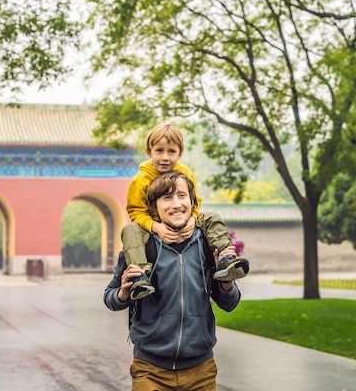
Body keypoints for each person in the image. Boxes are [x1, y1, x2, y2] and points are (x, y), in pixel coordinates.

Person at [104, 171, 242, 391]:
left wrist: (227, 283)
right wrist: (122, 293)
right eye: (166, 198)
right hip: (149, 369)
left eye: (181, 195)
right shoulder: (141, 247)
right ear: (154, 208)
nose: (176, 204)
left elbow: (230, 303)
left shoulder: (206, 245)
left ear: (192, 201)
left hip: (201, 370)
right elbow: (109, 297)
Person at [123, 123, 249, 300]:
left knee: (211, 216)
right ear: (149, 151)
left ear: (180, 153)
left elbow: (195, 202)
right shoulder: (140, 181)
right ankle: (140, 277)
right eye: (159, 151)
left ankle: (224, 258)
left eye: (171, 152)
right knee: (130, 230)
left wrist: (192, 220)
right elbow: (136, 212)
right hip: (152, 226)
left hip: (185, 221)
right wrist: (156, 227)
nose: (165, 157)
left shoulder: (185, 173)